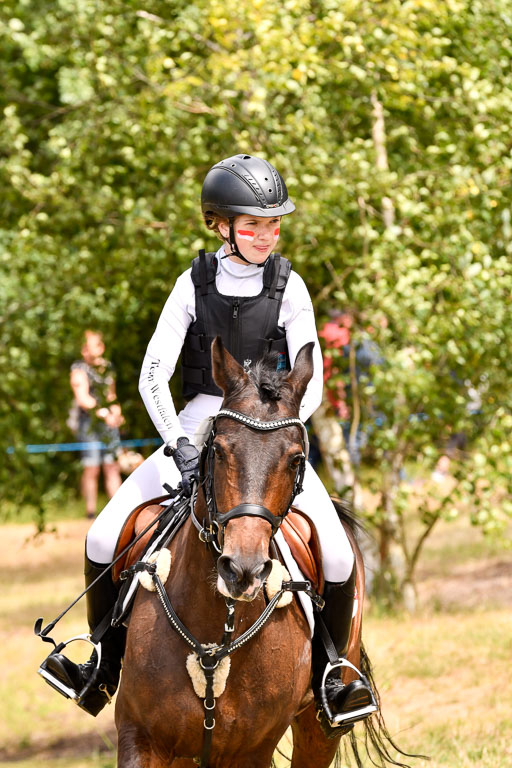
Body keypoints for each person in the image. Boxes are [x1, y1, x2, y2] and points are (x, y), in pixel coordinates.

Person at [43, 155, 376, 729]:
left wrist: (279, 429)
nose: (265, 236)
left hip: (270, 429)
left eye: (273, 225)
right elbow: (153, 372)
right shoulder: (193, 281)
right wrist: (179, 443)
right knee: (102, 535)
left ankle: (333, 676)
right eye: (252, 225)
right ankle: (101, 662)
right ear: (219, 223)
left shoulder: (289, 284)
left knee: (340, 552)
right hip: (201, 417)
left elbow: (312, 375)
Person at [70, 330, 124, 518]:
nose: (85, 351)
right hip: (88, 424)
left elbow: (111, 395)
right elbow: (83, 399)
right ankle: (90, 512)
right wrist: (104, 413)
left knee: (112, 466)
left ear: (100, 347)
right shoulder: (78, 369)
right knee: (91, 467)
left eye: (89, 346)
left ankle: (117, 510)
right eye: (83, 347)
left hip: (108, 422)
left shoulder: (107, 367)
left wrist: (117, 413)